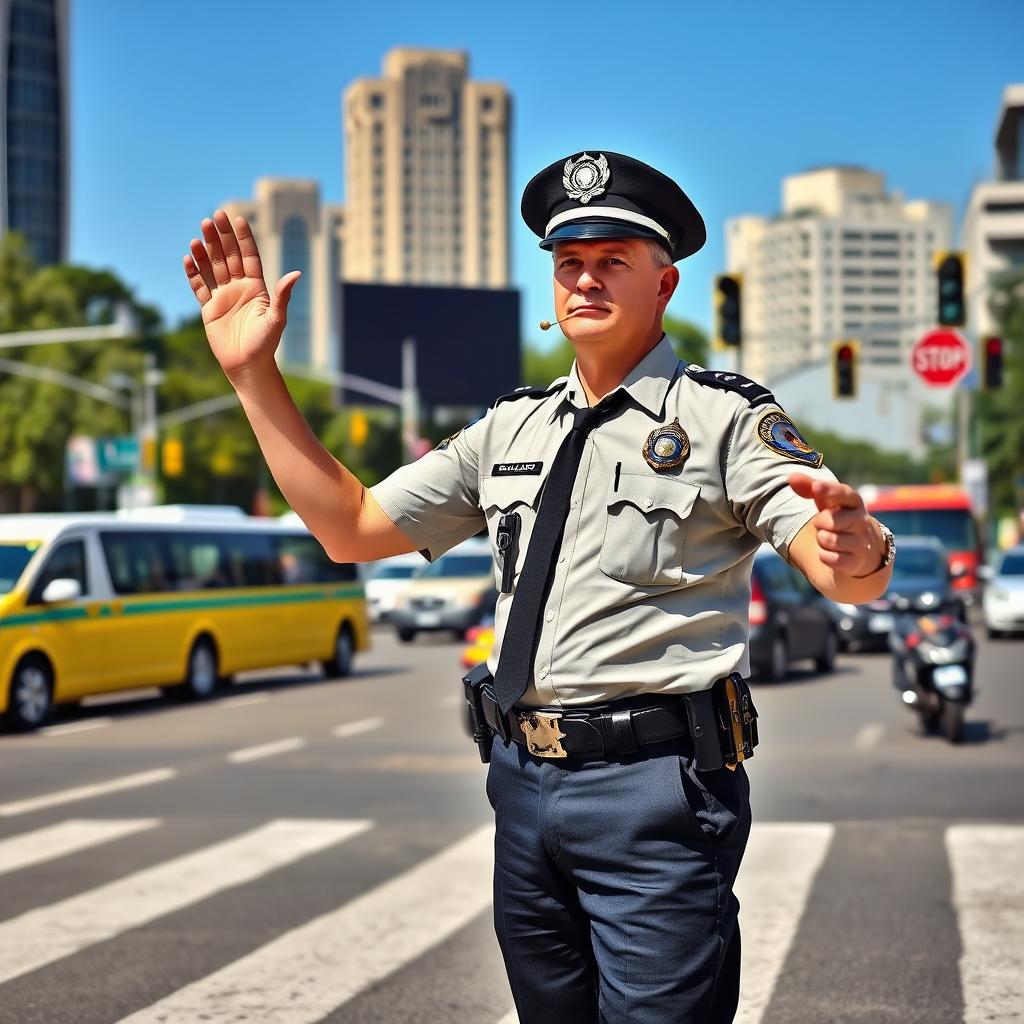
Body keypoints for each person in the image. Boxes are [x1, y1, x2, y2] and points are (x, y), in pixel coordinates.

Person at [183, 149, 894, 1023]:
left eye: (612, 262)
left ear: (664, 285)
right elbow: (350, 527)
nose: (585, 281)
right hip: (523, 788)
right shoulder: (509, 428)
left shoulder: (724, 420)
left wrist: (852, 545)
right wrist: (253, 376)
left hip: (657, 795)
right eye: (569, 264)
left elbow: (843, 574)